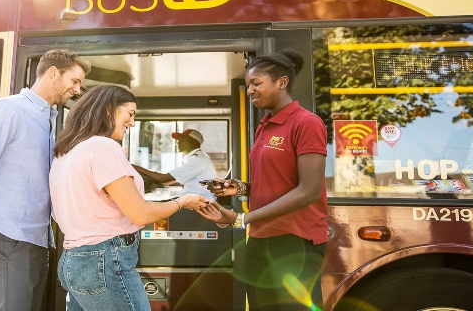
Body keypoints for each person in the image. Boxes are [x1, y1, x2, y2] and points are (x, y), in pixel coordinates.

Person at [49, 85, 211, 311]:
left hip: (73, 260)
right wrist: (181, 202)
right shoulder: (103, 146)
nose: (132, 123)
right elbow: (139, 213)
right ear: (108, 109)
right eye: (130, 114)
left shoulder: (67, 150)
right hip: (105, 261)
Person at [0, 49, 90, 311]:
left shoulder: (47, 119)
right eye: (74, 81)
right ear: (53, 73)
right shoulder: (8, 109)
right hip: (8, 239)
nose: (77, 89)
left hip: (36, 240)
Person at [197, 49, 328, 311]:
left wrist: (241, 219)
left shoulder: (307, 123)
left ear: (282, 82)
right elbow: (277, 183)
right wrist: (241, 188)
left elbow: (309, 190)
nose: (250, 91)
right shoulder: (265, 125)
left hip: (294, 242)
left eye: (256, 83)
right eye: (248, 85)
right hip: (259, 239)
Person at [133, 129, 217, 200]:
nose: (178, 143)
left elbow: (164, 178)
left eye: (182, 139)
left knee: (155, 206)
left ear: (194, 142)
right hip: (195, 197)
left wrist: (133, 167)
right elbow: (172, 179)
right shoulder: (195, 158)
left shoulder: (197, 160)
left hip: (201, 200)